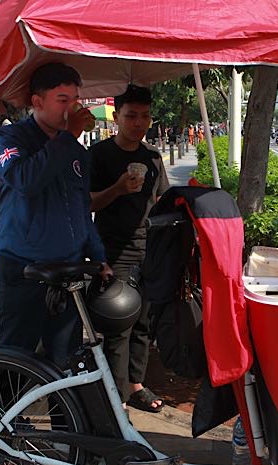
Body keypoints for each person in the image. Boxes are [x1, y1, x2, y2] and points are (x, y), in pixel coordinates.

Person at [0, 62, 113, 368]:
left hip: (66, 271)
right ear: (37, 101)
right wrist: (68, 137)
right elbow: (25, 181)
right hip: (23, 267)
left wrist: (98, 258)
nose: (71, 109)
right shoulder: (10, 140)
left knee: (66, 358)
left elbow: (80, 209)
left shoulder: (76, 152)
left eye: (75, 100)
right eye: (62, 100)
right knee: (15, 354)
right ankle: (5, 417)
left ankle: (65, 418)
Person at [90, 84, 170, 412]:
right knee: (118, 325)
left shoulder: (152, 157)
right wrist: (119, 189)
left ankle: (136, 384)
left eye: (145, 116)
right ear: (116, 116)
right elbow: (88, 202)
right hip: (113, 251)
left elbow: (162, 199)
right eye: (131, 115)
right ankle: (116, 397)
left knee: (143, 324)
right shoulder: (99, 155)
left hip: (148, 249)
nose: (139, 122)